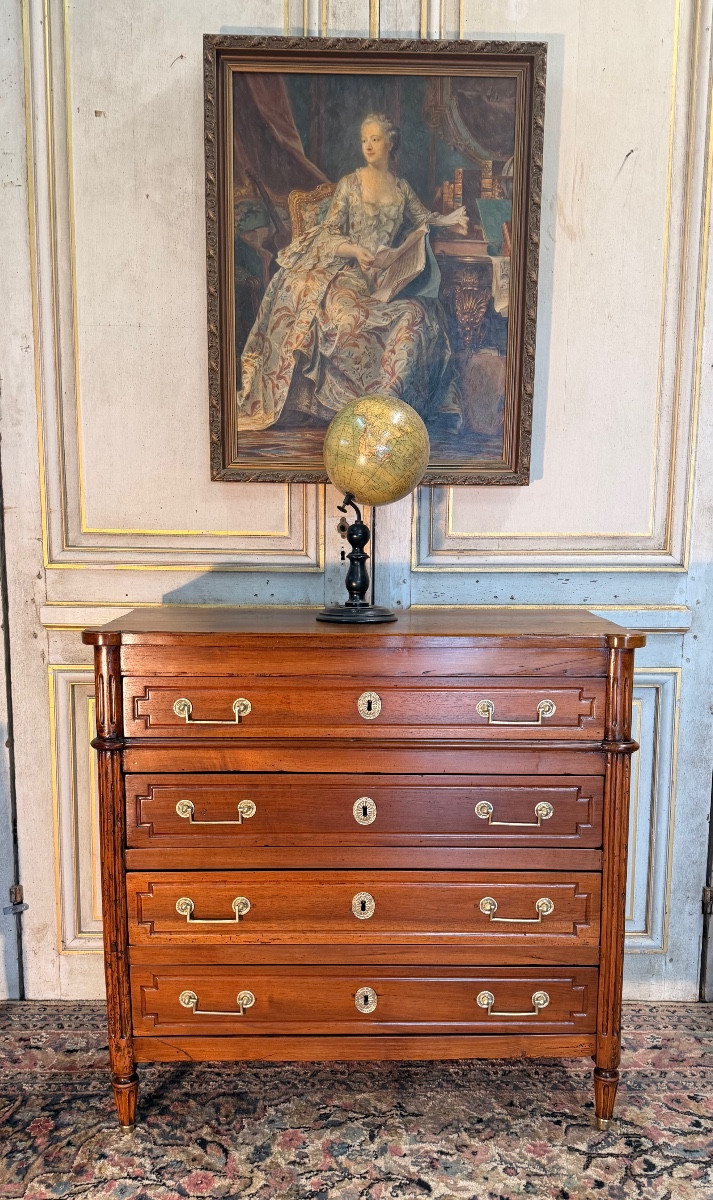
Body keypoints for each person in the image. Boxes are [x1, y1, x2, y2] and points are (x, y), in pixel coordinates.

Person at [237, 113, 468, 431]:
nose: (369, 145)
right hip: (348, 275)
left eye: (375, 139)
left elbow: (422, 217)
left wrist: (450, 219)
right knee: (347, 320)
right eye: (364, 139)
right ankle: (348, 407)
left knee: (417, 316)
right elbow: (329, 233)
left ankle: (388, 406)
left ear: (390, 142)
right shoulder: (350, 184)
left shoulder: (400, 188)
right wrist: (357, 251)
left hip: (387, 278)